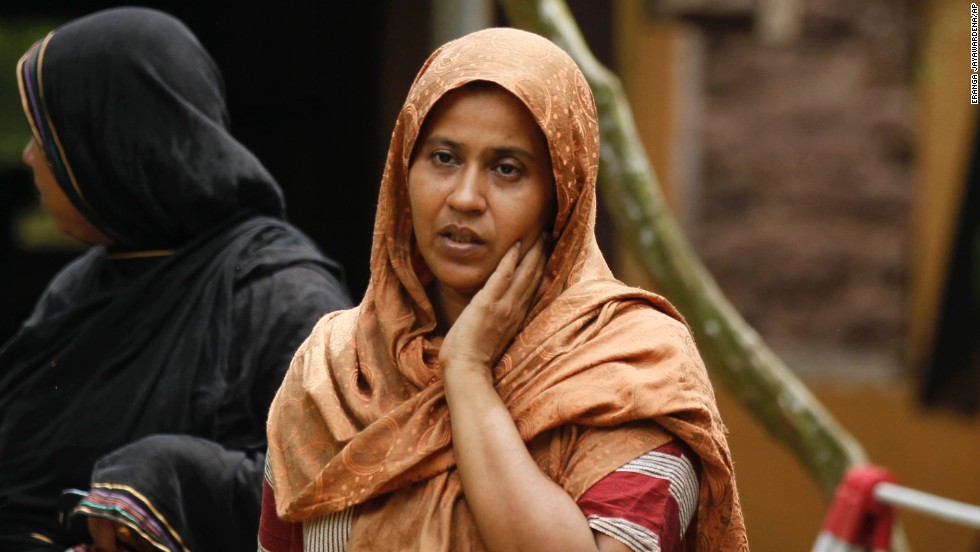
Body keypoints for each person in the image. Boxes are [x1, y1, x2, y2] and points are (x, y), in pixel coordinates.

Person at [261, 27, 748, 552]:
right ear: (404, 175)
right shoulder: (335, 370)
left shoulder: (633, 371)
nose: (466, 197)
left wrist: (467, 370)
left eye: (506, 168)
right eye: (444, 158)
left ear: (562, 195)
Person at [0, 7, 353, 552]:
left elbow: (325, 490)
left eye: (49, 135)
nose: (28, 157)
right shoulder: (79, 285)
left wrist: (167, 479)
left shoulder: (278, 296)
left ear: (115, 145)